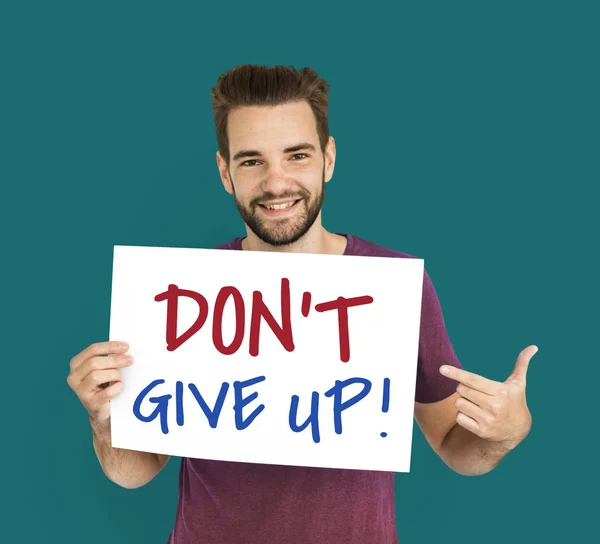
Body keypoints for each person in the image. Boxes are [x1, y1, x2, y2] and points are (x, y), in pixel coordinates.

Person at [67, 64, 538, 544]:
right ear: (225, 172)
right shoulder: (179, 291)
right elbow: (134, 472)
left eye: (297, 155)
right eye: (252, 161)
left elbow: (454, 447)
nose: (276, 183)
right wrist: (104, 421)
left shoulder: (394, 287)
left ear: (328, 159)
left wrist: (504, 432)